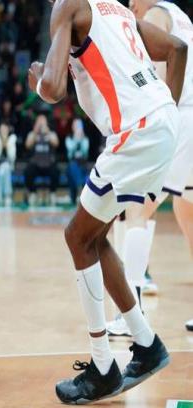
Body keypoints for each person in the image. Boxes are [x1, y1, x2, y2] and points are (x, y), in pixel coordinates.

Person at [28, 0, 186, 403]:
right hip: (164, 123)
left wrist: (39, 80)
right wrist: (163, 111)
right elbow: (177, 49)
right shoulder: (115, 9)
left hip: (137, 131)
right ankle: (147, 344)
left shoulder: (67, 7)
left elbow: (52, 90)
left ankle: (102, 366)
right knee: (94, 238)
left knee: (77, 237)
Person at [107, 0, 193, 313]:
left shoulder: (156, 15)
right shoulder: (182, 18)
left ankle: (131, 309)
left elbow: (156, 78)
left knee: (136, 208)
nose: (131, 7)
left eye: (134, 2)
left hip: (179, 118)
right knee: (187, 213)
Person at [24, 114, 59, 206]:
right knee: (28, 171)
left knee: (56, 171)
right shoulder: (32, 134)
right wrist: (35, 131)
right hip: (36, 164)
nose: (41, 123)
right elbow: (27, 145)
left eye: (43, 121)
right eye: (39, 121)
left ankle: (52, 193)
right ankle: (33, 193)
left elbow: (56, 143)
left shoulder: (51, 133)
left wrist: (47, 132)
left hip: (48, 163)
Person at [0, 121, 17, 206]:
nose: (3, 131)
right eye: (2, 129)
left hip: (9, 166)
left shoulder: (12, 139)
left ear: (8, 130)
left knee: (5, 168)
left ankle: (1, 194)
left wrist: (7, 145)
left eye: (5, 129)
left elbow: (12, 157)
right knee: (3, 169)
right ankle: (7, 195)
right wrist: (1, 146)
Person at [65, 118, 89, 205]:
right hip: (72, 162)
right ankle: (79, 185)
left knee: (81, 169)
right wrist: (76, 138)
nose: (77, 127)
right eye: (75, 125)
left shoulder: (85, 138)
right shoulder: (69, 137)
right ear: (72, 127)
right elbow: (70, 150)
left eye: (79, 125)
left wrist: (81, 139)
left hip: (83, 162)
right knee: (73, 168)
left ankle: (80, 186)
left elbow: (85, 151)